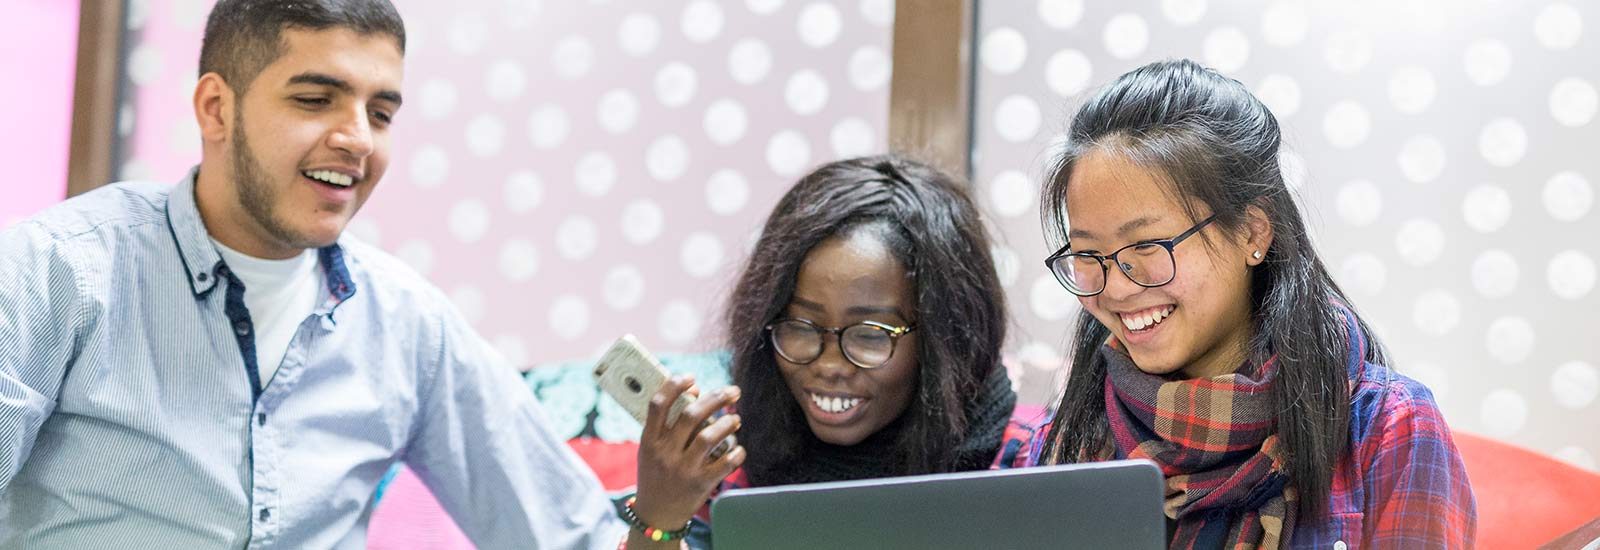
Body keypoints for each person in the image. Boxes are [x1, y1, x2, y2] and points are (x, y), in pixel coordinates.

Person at [0, 1, 624, 548]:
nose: (357, 139)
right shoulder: (60, 270)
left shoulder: (409, 327)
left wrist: (662, 518)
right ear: (216, 108)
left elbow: (574, 535)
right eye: (315, 100)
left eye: (380, 114)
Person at [1031, 58, 1476, 548]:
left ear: (1251, 232)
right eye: (1088, 254)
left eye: (1147, 245)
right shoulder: (1065, 442)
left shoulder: (1390, 432)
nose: (1115, 287)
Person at [618, 155, 1035, 549]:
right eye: (800, 327)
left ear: (946, 341)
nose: (829, 365)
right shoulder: (726, 458)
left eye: (871, 335)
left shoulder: (1023, 463)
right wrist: (659, 515)